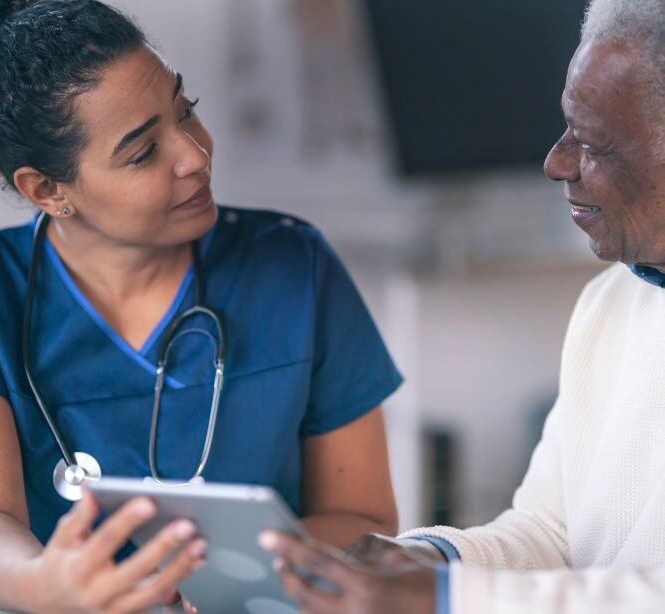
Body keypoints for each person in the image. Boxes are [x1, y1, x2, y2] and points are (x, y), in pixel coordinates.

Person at [0, 0, 402, 611]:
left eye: (187, 113)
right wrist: (43, 585)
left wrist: (227, 574)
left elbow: (363, 515)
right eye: (142, 153)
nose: (195, 156)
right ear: (47, 190)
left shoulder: (294, 265)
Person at [259, 0, 665, 612]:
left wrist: (446, 599)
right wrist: (422, 561)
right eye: (566, 129)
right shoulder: (611, 301)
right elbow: (550, 533)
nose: (556, 163)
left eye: (594, 144)